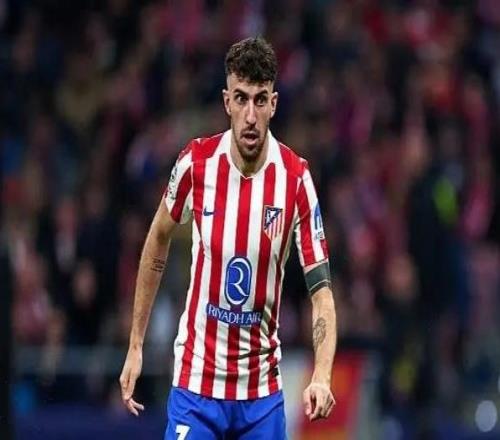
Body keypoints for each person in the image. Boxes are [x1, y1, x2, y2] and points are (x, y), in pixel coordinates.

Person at [119, 37, 337, 439]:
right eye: (241, 99)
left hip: (261, 397)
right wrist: (136, 344)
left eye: (260, 100)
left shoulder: (295, 180)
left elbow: (321, 292)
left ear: (274, 104)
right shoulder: (196, 164)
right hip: (196, 386)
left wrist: (322, 375)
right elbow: (157, 239)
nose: (250, 115)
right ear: (226, 102)